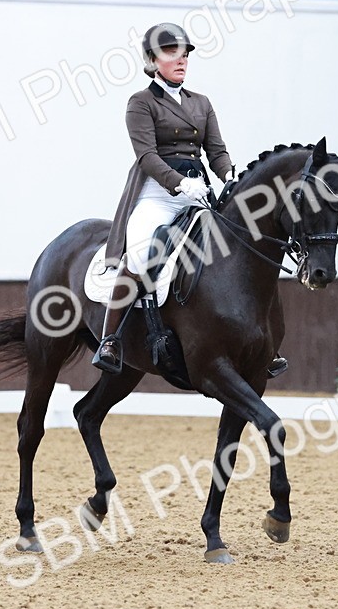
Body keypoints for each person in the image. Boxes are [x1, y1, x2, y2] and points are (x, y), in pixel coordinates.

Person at [93, 22, 287, 379]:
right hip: (157, 192)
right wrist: (178, 183)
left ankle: (263, 343)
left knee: (236, 249)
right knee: (140, 251)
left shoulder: (202, 103)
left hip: (199, 192)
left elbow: (216, 150)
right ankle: (111, 339)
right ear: (152, 60)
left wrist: (229, 174)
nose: (181, 59)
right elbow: (146, 156)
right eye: (171, 53)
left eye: (184, 54)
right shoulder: (141, 102)